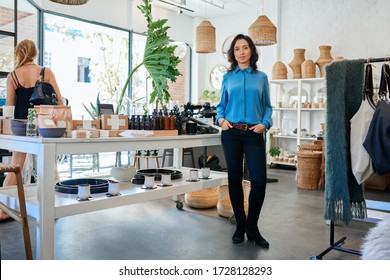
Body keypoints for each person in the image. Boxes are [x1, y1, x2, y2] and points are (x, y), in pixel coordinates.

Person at [215, 34, 272, 248]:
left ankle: (252, 226)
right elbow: (221, 105)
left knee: (258, 181)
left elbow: (267, 106)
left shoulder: (261, 77)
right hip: (231, 133)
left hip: (254, 134)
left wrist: (265, 123)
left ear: (251, 51)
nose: (241, 51)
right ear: (233, 53)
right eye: (237, 48)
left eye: (245, 47)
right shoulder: (228, 77)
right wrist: (220, 119)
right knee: (234, 179)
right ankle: (240, 224)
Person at [0, 39, 63, 221]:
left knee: (16, 166)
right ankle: (53, 207)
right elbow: (59, 101)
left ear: (18, 53)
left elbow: (10, 107)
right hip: (44, 123)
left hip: (21, 124)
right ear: (34, 53)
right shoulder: (46, 72)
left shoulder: (13, 76)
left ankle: (4, 210)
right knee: (51, 165)